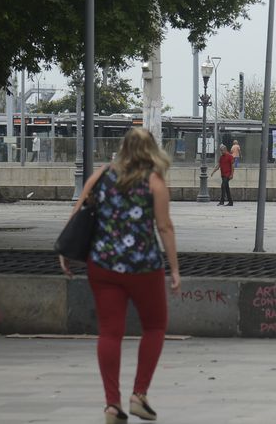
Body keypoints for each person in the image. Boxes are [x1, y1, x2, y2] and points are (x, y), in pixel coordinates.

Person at [60, 127, 180, 424]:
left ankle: (112, 405)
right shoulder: (154, 182)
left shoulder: (101, 176)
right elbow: (165, 228)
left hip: (102, 266)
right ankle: (139, 394)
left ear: (123, 148)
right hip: (143, 268)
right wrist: (175, 269)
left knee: (110, 332)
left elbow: (78, 215)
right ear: (152, 150)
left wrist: (65, 251)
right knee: (154, 327)